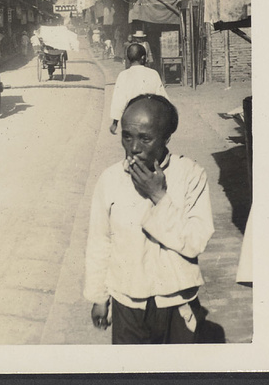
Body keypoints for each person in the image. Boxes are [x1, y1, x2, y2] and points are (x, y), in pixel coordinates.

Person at [84, 94, 215, 344]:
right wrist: (99, 297)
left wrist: (159, 196)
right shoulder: (110, 180)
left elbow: (195, 241)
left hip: (178, 304)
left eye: (145, 138)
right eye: (127, 136)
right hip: (127, 305)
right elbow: (99, 242)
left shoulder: (190, 175)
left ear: (166, 138)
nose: (134, 147)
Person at [109, 43, 168, 134]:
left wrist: (115, 123)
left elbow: (118, 101)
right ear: (143, 58)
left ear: (128, 59)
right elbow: (163, 99)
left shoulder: (123, 76)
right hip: (150, 121)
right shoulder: (153, 74)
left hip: (131, 122)